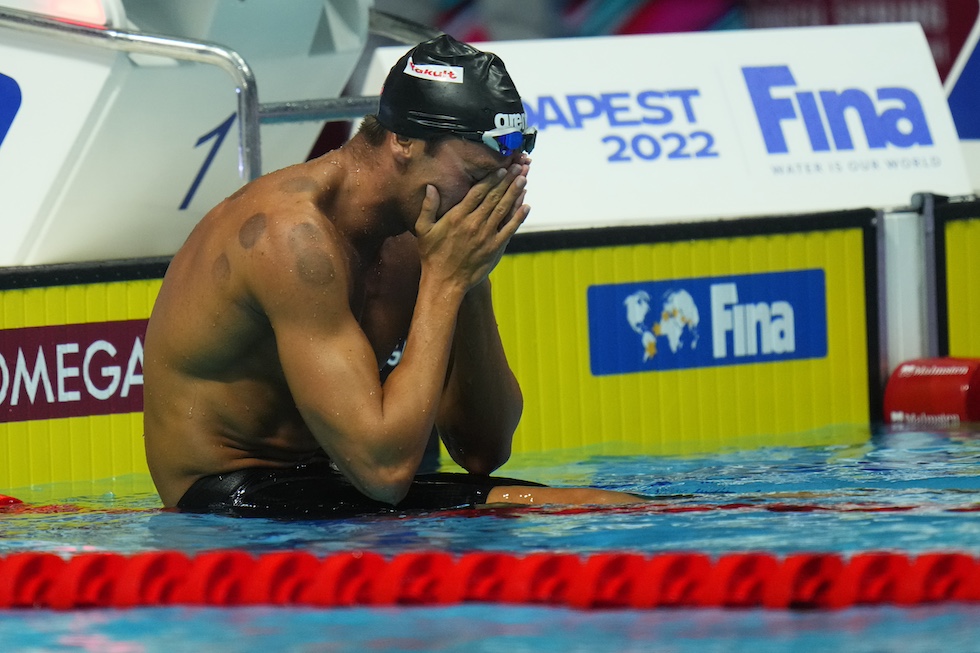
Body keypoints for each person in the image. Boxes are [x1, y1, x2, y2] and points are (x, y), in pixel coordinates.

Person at [142, 34, 643, 518]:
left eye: (499, 182)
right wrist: (445, 280)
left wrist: (472, 280)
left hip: (330, 483)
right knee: (585, 510)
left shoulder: (419, 229)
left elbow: (483, 452)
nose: (483, 204)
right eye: (474, 178)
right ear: (403, 139)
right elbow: (384, 471)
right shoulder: (292, 237)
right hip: (223, 503)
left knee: (575, 500)